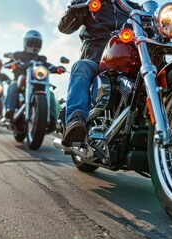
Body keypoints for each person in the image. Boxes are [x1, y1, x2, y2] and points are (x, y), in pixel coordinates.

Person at [58, 0, 139, 146]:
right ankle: (75, 120)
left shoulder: (132, 8)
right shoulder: (91, 3)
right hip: (96, 59)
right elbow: (64, 27)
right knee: (81, 67)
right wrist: (76, 8)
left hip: (129, 63)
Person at [4, 30, 62, 129]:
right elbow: (6, 64)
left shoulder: (41, 59)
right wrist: (12, 64)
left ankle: (52, 118)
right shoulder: (18, 55)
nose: (34, 45)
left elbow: (48, 66)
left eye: (37, 43)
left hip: (38, 83)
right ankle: (10, 111)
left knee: (51, 94)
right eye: (31, 42)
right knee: (12, 86)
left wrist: (58, 69)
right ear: (25, 42)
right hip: (20, 82)